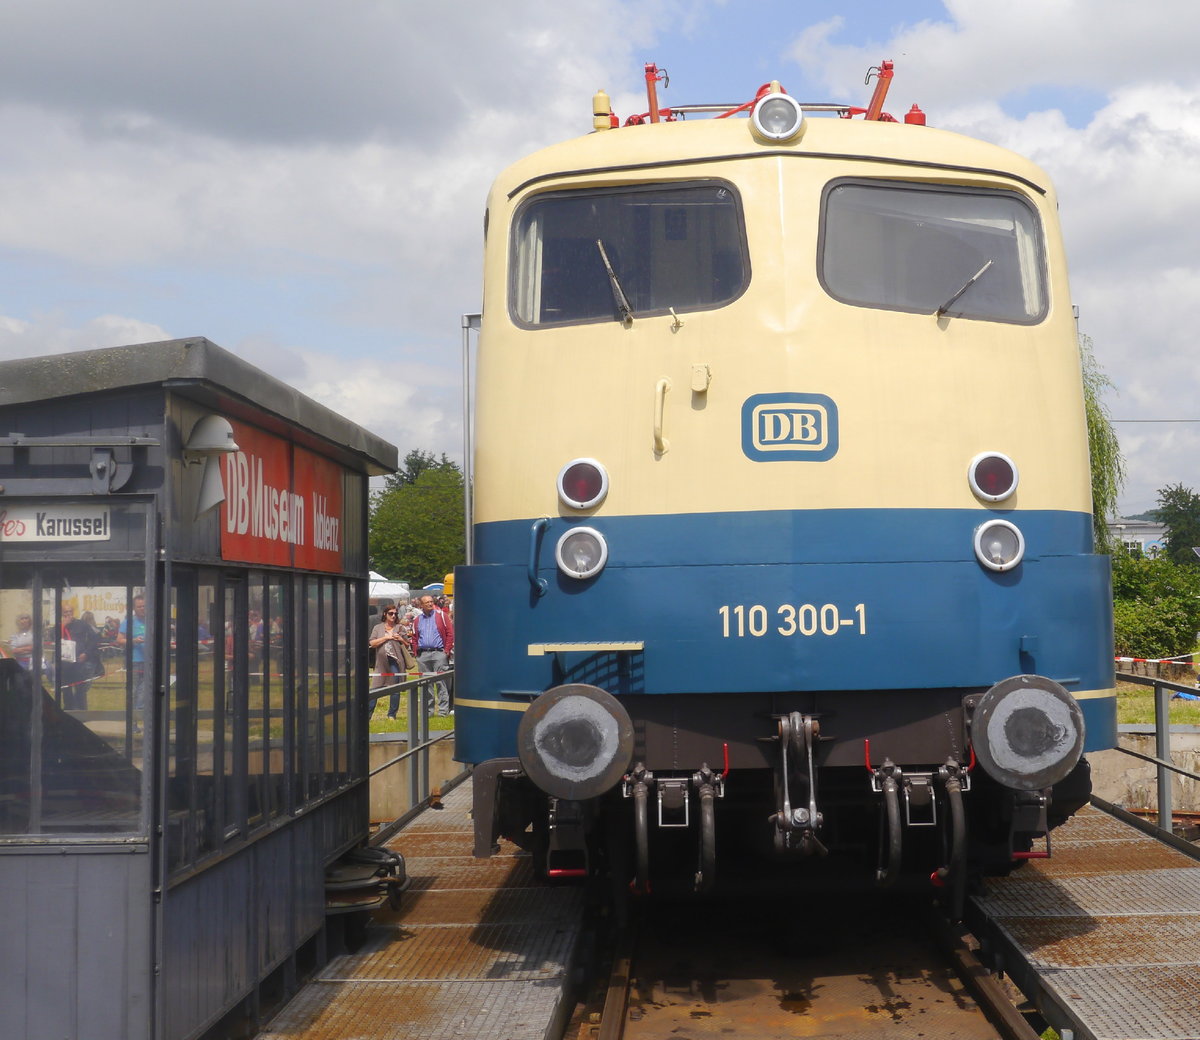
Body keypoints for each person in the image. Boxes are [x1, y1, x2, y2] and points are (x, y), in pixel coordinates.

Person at [410, 593, 454, 717]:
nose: (430, 604)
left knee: (441, 683)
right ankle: (428, 712)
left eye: (431, 602)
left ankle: (443, 711)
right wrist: (416, 652)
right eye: (427, 602)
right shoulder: (418, 619)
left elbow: (450, 634)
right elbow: (414, 637)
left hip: (439, 653)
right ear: (421, 605)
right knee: (426, 683)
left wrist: (446, 651)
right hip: (423, 655)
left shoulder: (441, 616)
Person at [370, 606, 414, 718]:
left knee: (395, 688)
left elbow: (407, 644)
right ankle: (368, 715)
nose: (393, 616)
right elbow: (372, 643)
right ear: (385, 614)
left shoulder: (400, 628)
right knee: (374, 689)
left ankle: (391, 715)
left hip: (395, 661)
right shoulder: (378, 627)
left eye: (395, 613)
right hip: (380, 664)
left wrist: (400, 639)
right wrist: (386, 638)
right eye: (391, 613)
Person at [58, 603, 100, 710]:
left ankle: (82, 713)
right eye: (65, 612)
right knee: (66, 690)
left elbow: (94, 638)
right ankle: (68, 711)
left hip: (79, 662)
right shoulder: (58, 626)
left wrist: (86, 653)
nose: (68, 614)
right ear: (62, 614)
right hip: (64, 663)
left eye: (70, 611)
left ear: (73, 612)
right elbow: (53, 638)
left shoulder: (82, 624)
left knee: (80, 689)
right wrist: (63, 625)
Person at [118, 594, 148, 720]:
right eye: (139, 606)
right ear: (134, 608)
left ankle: (143, 719)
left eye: (144, 606)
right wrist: (134, 640)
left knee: (145, 691)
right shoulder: (128, 622)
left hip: (149, 661)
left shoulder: (152, 620)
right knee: (134, 691)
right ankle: (132, 722)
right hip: (134, 662)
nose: (142, 608)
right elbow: (119, 640)